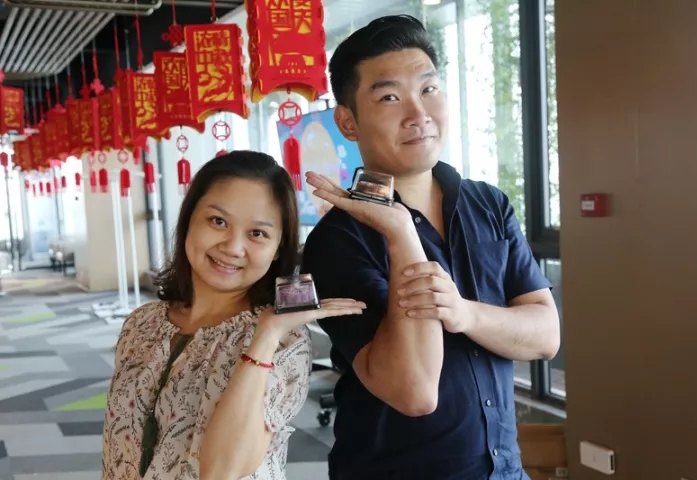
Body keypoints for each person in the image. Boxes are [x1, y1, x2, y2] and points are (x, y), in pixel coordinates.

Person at [302, 15, 561, 480]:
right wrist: (402, 234)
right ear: (348, 122)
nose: (418, 113)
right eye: (389, 97)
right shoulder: (337, 239)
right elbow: (414, 391)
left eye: (429, 89)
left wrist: (464, 314)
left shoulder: (489, 204)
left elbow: (545, 336)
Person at [101, 151, 365, 480]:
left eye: (257, 233)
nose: (233, 247)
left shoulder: (285, 341)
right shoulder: (142, 323)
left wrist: (265, 337)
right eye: (218, 221)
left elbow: (222, 471)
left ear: (278, 249)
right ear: (188, 219)